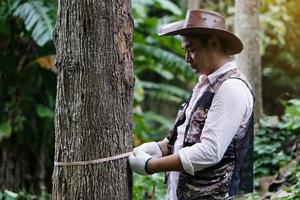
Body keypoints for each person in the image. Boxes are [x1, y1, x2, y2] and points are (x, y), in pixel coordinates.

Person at [129, 9, 255, 200]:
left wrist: (151, 166)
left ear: (213, 43)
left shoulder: (231, 88)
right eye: (185, 51)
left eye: (192, 50)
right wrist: (158, 148)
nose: (187, 59)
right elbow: (185, 137)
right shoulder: (205, 84)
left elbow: (209, 152)